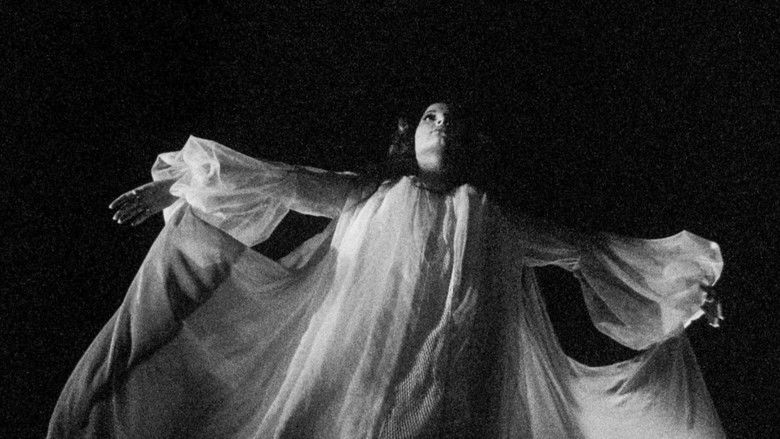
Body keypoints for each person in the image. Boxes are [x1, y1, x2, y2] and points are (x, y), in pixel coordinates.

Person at [48, 103, 725, 438]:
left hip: (459, 386)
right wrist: (179, 185)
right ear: (412, 135)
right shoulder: (371, 194)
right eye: (431, 116)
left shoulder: (494, 219)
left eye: (453, 122)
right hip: (365, 370)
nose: (442, 125)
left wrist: (685, 292)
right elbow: (287, 181)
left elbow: (588, 251)